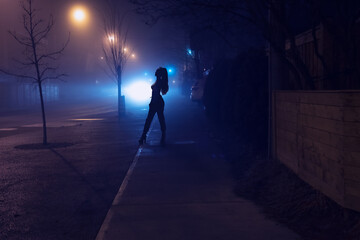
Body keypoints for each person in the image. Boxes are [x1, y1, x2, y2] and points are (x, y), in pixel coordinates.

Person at [139, 67, 169, 145]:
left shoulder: (159, 81)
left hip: (156, 102)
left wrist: (152, 103)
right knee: (158, 119)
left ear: (159, 73)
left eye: (156, 71)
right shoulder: (159, 81)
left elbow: (156, 94)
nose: (155, 72)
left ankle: (144, 136)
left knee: (152, 119)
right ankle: (161, 136)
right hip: (157, 102)